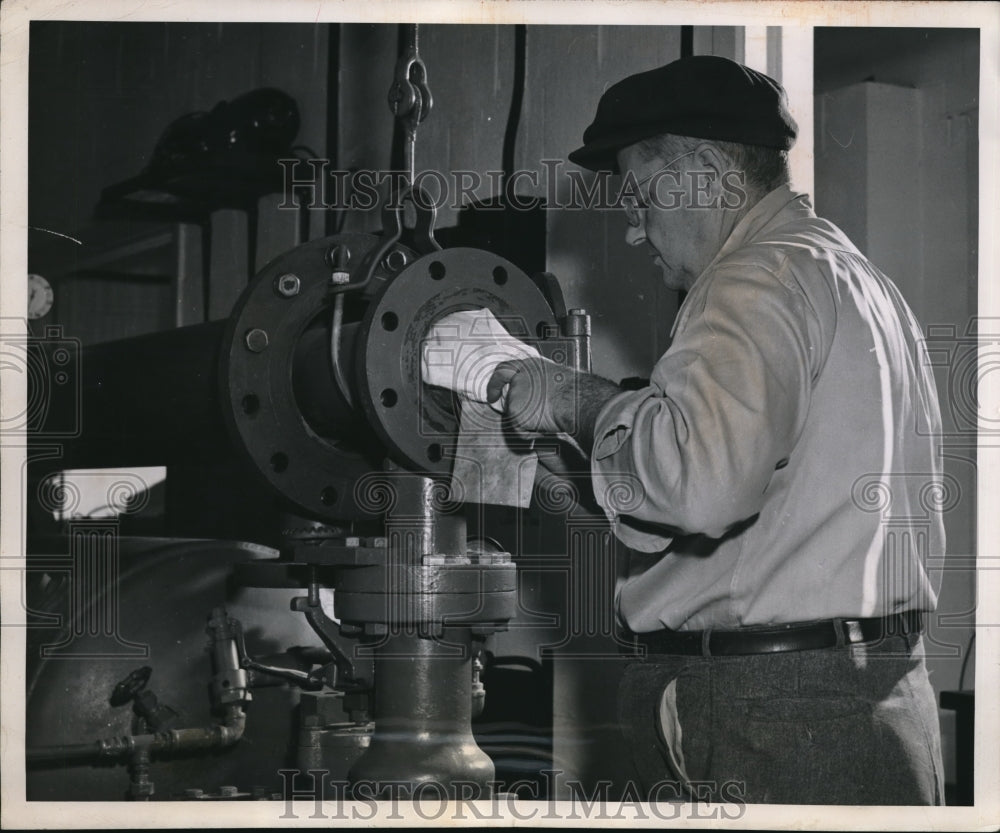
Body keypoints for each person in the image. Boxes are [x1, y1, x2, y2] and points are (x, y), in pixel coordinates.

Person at [486, 55, 946, 805]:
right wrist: (577, 482)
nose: (634, 230)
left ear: (703, 169)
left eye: (637, 196)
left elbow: (700, 485)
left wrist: (572, 397)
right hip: (871, 693)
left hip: (767, 709)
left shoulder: (751, 278)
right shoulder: (852, 275)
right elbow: (761, 511)